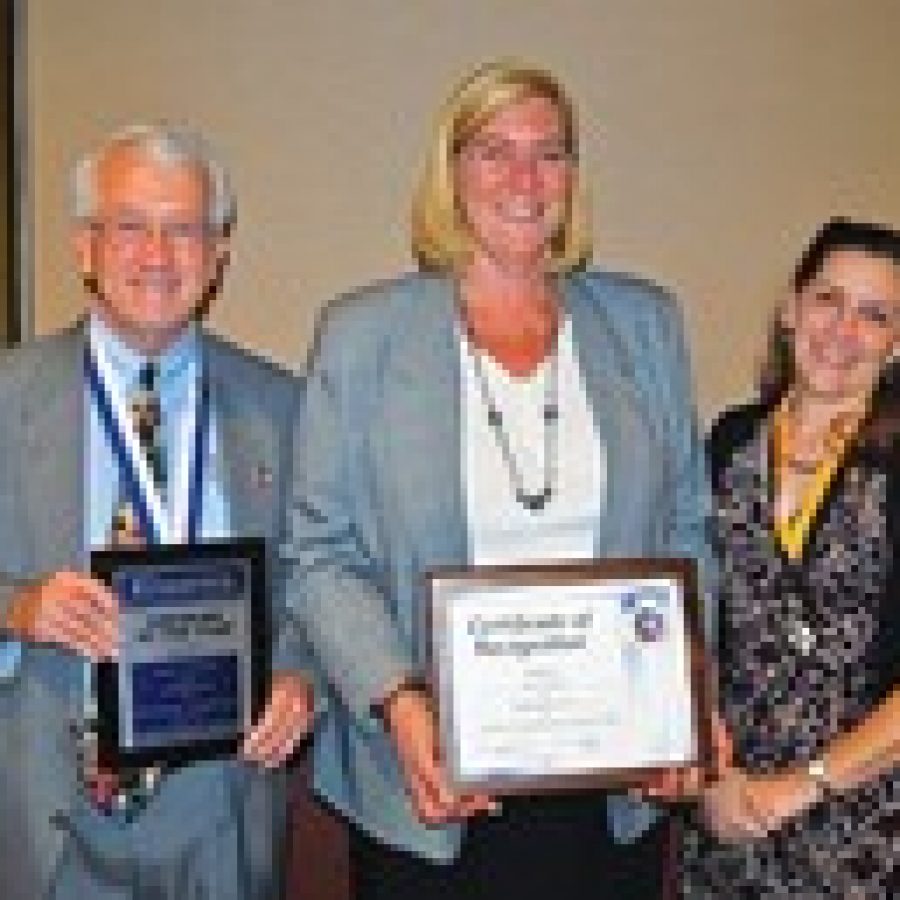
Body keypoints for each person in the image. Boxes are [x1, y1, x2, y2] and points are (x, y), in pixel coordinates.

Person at [278, 60, 708, 899]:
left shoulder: (646, 324)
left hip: (610, 779)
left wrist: (686, 691)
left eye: (550, 154)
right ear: (451, 173)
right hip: (426, 777)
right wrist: (400, 702)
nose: (523, 178)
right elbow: (317, 554)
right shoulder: (361, 336)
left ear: (573, 179)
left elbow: (687, 532)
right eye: (493, 151)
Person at [0, 124, 314, 900]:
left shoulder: (286, 407)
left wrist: (301, 679)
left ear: (217, 256)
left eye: (184, 231)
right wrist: (18, 607)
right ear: (84, 246)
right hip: (49, 813)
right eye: (130, 227)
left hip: (222, 807)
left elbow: (318, 582)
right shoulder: (7, 399)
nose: (157, 255)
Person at [681, 218, 900, 896]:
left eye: (875, 315)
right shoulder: (728, 441)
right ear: (790, 308)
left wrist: (801, 788)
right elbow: (689, 622)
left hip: (868, 828)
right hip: (730, 819)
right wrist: (714, 779)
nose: (842, 330)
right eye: (828, 299)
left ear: (897, 344)